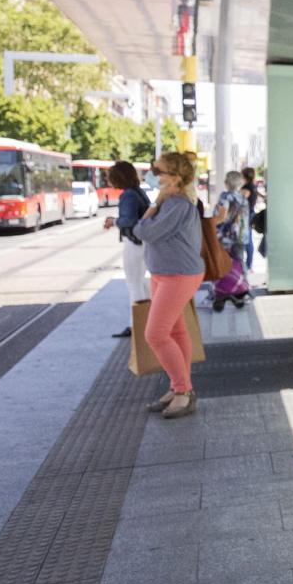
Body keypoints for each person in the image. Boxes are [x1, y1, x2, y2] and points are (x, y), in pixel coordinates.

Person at [135, 151, 208, 419]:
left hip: (178, 274)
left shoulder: (176, 204)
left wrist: (153, 208)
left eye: (158, 170)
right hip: (165, 273)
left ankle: (183, 391)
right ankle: (178, 387)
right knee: (176, 333)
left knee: (155, 334)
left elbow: (144, 231)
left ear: (175, 177)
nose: (152, 174)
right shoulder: (171, 202)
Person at [103, 160, 149, 339]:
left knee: (134, 283)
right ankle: (143, 320)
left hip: (135, 243)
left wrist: (114, 221)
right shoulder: (138, 192)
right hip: (143, 242)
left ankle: (136, 324)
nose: (109, 180)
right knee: (141, 282)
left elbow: (129, 220)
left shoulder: (128, 195)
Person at [239, 165, 259, 270]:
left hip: (246, 216)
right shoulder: (253, 186)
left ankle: (248, 265)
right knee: (248, 239)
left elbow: (239, 201)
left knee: (246, 240)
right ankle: (248, 264)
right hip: (251, 214)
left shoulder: (247, 188)